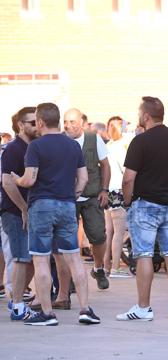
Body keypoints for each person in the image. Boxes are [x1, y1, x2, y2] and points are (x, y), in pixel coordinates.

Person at [13, 102, 100, 326]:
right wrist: (72, 194)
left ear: (40, 122)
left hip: (41, 205)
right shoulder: (72, 146)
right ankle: (85, 309)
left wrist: (17, 179)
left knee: (41, 260)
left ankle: (48, 313)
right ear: (59, 121)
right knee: (73, 258)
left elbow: (30, 179)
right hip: (67, 205)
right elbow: (83, 179)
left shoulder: (36, 147)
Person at [117, 96, 168, 321]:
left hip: (146, 204)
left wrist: (127, 202)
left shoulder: (141, 142)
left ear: (146, 116)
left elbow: (128, 179)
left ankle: (143, 307)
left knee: (144, 253)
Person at [61, 108, 111, 295]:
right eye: (66, 121)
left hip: (91, 196)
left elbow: (105, 165)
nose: (68, 125)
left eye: (73, 121)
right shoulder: (60, 139)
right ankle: (70, 276)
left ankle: (98, 269)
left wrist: (105, 190)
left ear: (82, 122)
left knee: (98, 236)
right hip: (67, 198)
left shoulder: (93, 138)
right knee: (67, 239)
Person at [2, 107, 37, 320]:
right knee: (20, 258)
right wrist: (23, 209)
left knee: (33, 260)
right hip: (14, 213)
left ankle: (17, 298)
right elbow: (7, 182)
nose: (36, 125)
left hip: (30, 213)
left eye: (38, 121)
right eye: (31, 122)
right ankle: (17, 306)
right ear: (21, 125)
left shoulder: (34, 148)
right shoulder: (14, 149)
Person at [104, 116, 131, 278]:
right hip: (118, 190)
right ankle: (116, 267)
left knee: (109, 231)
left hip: (107, 189)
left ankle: (105, 266)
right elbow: (126, 170)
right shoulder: (121, 147)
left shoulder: (108, 146)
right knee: (119, 232)